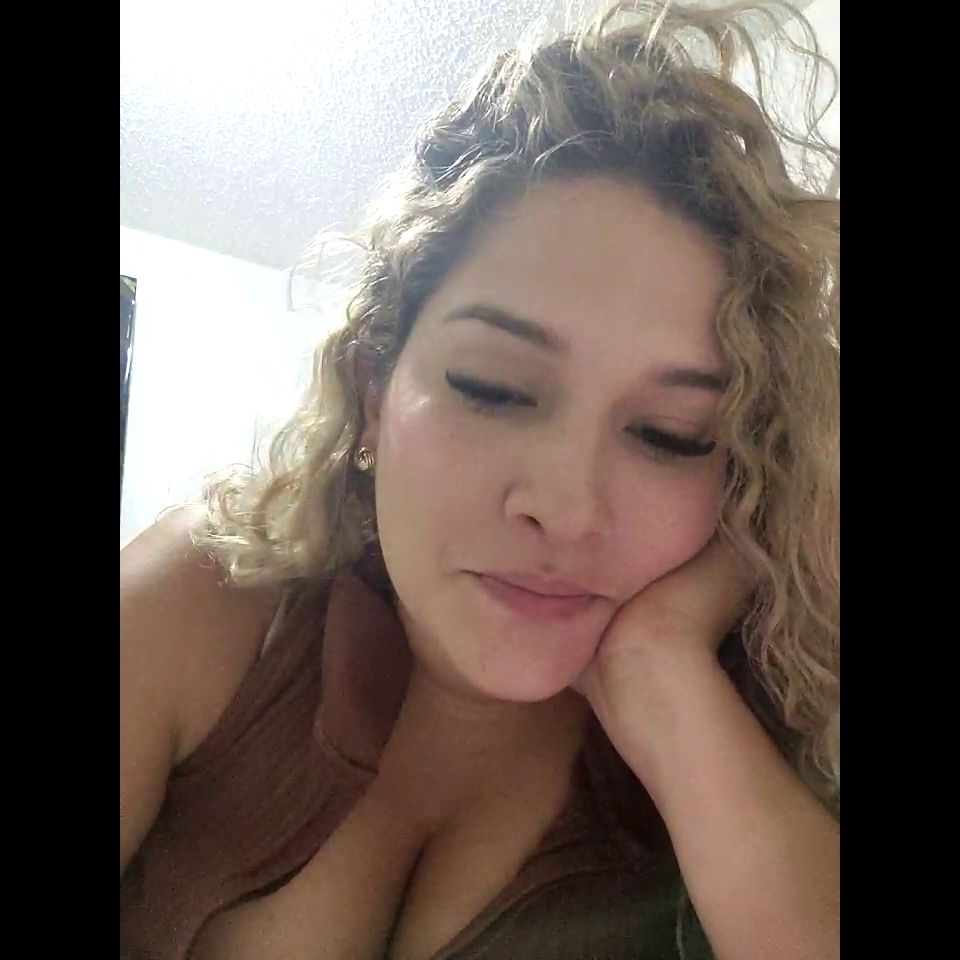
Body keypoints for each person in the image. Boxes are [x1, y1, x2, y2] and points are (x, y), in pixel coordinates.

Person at [119, 2, 840, 958]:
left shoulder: (761, 757)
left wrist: (661, 675)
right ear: (373, 394)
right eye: (494, 388)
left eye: (671, 437)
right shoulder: (213, 603)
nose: (567, 508)